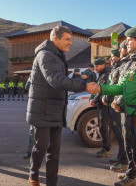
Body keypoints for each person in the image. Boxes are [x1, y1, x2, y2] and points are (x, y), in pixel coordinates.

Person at [88, 26, 136, 186]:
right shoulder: (134, 61)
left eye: (129, 40)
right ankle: (134, 176)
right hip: (129, 112)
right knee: (132, 148)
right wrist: (100, 88)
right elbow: (122, 87)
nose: (126, 44)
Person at [27, 26, 93, 186]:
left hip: (56, 109)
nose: (70, 43)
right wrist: (85, 85)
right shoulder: (45, 55)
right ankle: (33, 176)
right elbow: (55, 80)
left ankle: (52, 183)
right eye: (67, 39)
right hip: (42, 110)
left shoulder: (58, 55)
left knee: (54, 153)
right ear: (55, 38)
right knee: (41, 147)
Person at [102, 49, 128, 172]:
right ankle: (120, 157)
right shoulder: (115, 67)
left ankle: (124, 160)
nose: (111, 59)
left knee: (121, 135)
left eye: (113, 57)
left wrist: (107, 99)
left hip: (118, 104)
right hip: (115, 103)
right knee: (118, 135)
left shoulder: (121, 67)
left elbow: (115, 86)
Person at [89, 58, 112, 158]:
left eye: (97, 66)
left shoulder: (106, 75)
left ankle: (106, 149)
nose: (95, 68)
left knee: (104, 127)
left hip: (105, 105)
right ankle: (106, 147)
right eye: (95, 66)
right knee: (102, 126)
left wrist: (94, 100)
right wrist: (92, 98)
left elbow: (102, 90)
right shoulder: (101, 75)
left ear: (103, 65)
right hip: (101, 104)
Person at [23, 74, 35, 159]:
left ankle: (31, 152)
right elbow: (27, 87)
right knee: (32, 130)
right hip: (35, 104)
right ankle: (30, 151)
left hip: (47, 105)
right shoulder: (32, 74)